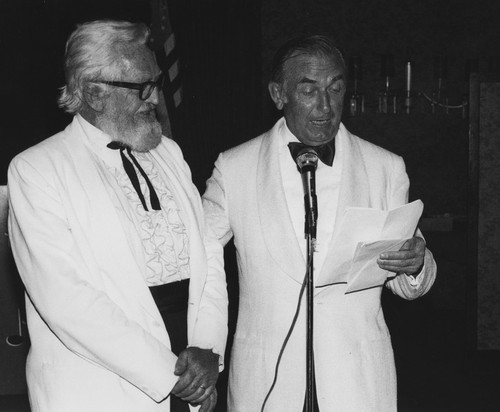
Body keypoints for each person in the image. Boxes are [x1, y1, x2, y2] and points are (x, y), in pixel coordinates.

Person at [202, 34, 437, 411]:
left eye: (335, 88)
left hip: (356, 380)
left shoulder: (385, 167)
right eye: (309, 90)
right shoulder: (234, 168)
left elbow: (410, 281)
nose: (325, 106)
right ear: (278, 94)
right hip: (266, 381)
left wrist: (416, 265)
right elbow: (195, 255)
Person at [8, 20, 227, 412]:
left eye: (156, 82)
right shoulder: (37, 169)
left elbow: (209, 256)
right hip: (98, 387)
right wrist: (171, 374)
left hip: (190, 366)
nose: (155, 98)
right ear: (94, 93)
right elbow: (66, 301)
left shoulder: (169, 154)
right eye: (143, 86)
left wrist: (209, 349)